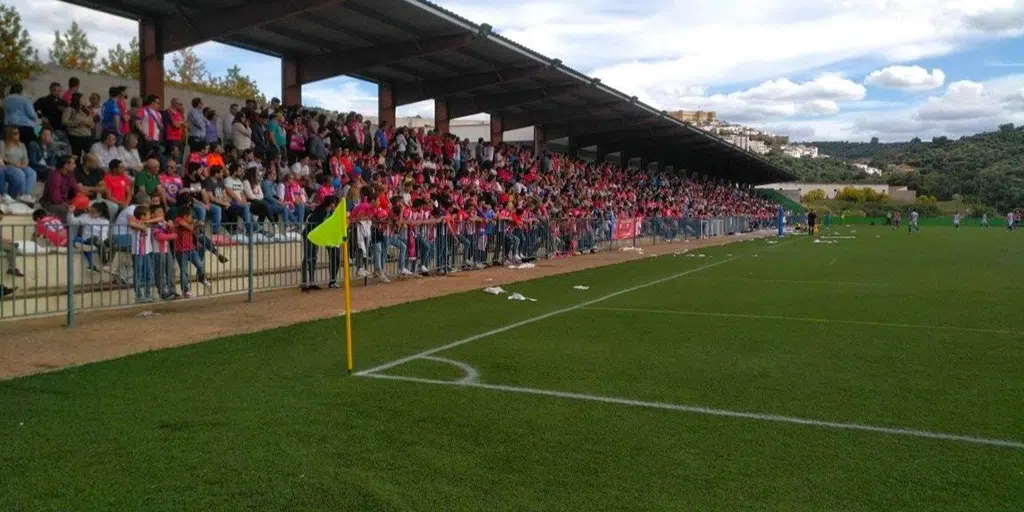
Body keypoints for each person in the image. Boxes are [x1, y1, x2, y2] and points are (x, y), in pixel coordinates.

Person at [300, 195, 341, 291]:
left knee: (313, 258)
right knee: (308, 258)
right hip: (310, 236)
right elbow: (312, 221)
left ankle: (312, 282)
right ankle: (304, 282)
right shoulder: (321, 211)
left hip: (317, 237)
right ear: (330, 203)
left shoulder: (330, 212)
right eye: (333, 202)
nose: (334, 205)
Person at [0, 127, 39, 204]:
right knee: (20, 174)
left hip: (20, 165)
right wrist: (14, 164)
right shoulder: (2, 143)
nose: (18, 134)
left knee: (32, 173)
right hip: (8, 166)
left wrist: (23, 165)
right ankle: (14, 196)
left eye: (18, 133)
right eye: (15, 133)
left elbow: (26, 159)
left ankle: (26, 195)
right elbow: (2, 158)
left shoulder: (22, 144)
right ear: (9, 134)